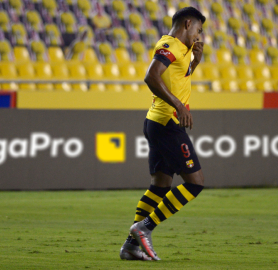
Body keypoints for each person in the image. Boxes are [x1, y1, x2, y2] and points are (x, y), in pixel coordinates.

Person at [119, 6, 206, 261]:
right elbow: (151, 77)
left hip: (157, 122)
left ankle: (130, 247)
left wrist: (195, 64)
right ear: (187, 23)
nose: (198, 36)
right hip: (167, 123)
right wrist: (179, 105)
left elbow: (175, 78)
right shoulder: (169, 44)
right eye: (198, 30)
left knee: (160, 186)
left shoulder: (183, 50)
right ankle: (144, 228)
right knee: (195, 182)